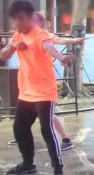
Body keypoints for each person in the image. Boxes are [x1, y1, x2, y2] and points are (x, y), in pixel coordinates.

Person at [0, 1, 74, 175]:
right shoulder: (17, 35)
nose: (18, 23)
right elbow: (3, 55)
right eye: (15, 20)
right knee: (19, 129)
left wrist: (62, 58)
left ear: (30, 18)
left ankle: (58, 171)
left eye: (21, 19)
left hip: (44, 93)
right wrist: (14, 45)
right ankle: (27, 163)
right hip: (26, 93)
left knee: (46, 130)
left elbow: (49, 47)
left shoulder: (40, 35)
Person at [7, 12, 84, 152]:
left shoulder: (43, 35)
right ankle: (20, 136)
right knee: (25, 116)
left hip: (42, 86)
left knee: (49, 117)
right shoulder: (22, 34)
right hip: (28, 84)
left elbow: (59, 41)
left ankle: (65, 139)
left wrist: (74, 42)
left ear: (40, 24)